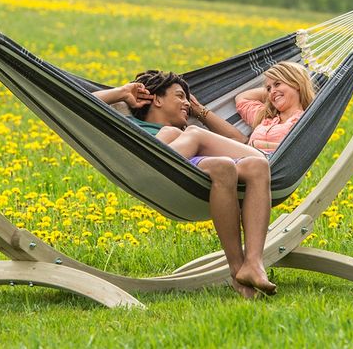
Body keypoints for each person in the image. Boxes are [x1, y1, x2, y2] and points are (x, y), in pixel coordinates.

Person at [94, 70, 275, 298]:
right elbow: (81, 104)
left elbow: (238, 140)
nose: (186, 104)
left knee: (258, 167)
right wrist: (121, 92)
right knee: (214, 157)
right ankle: (236, 266)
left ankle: (254, 263)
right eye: (180, 96)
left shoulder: (190, 131)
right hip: (161, 168)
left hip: (194, 165)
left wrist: (200, 113)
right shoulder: (133, 124)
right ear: (157, 99)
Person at [235, 62, 316, 154]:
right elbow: (242, 98)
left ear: (296, 84)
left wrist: (258, 145)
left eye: (277, 84)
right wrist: (274, 93)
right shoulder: (265, 117)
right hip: (242, 162)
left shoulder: (306, 119)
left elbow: (299, 150)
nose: (272, 91)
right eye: (268, 88)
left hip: (264, 164)